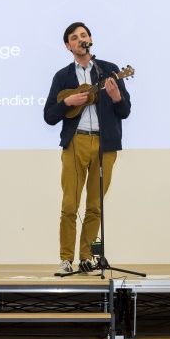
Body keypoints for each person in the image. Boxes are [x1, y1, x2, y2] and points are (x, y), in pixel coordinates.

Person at [43, 22, 131, 274]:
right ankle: (66, 258)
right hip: (76, 142)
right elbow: (49, 115)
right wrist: (67, 102)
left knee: (95, 205)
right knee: (70, 203)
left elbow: (124, 110)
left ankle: (87, 256)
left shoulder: (109, 71)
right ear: (68, 46)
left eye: (84, 35)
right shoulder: (62, 77)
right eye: (74, 37)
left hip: (105, 145)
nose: (80, 39)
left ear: (90, 39)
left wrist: (116, 97)